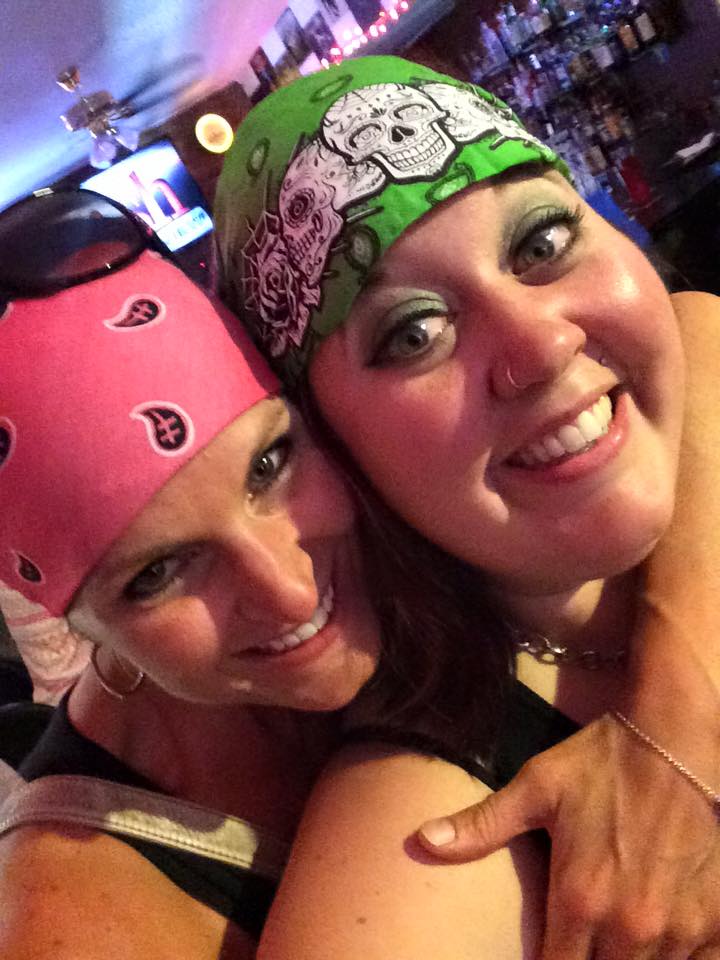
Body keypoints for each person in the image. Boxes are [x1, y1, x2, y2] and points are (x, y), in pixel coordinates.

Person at [213, 56, 720, 959]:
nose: (540, 347)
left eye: (541, 243)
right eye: (414, 332)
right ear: (332, 449)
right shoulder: (414, 853)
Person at [0, 187, 382, 960]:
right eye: (157, 573)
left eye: (268, 465)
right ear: (73, 621)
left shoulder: (404, 540)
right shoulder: (81, 925)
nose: (290, 592)